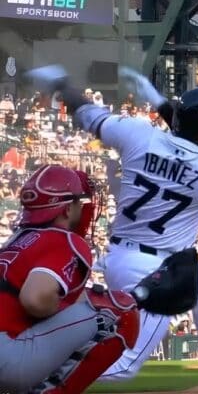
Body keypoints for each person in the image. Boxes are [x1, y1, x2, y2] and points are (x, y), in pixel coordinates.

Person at [26, 65, 198, 393]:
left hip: (126, 257)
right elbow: (191, 142)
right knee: (123, 365)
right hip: (158, 273)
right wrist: (163, 104)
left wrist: (61, 83)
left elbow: (86, 112)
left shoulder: (138, 134)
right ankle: (29, 376)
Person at [0, 165, 140, 393]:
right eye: (78, 201)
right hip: (7, 358)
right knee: (118, 310)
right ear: (66, 209)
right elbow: (35, 300)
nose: (83, 206)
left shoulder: (12, 243)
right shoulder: (63, 239)